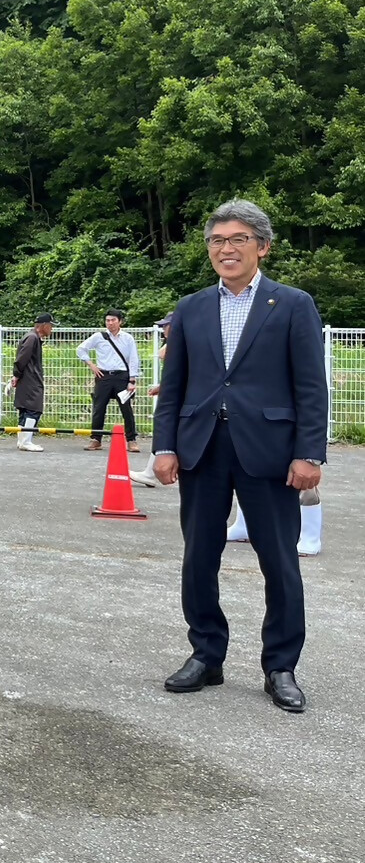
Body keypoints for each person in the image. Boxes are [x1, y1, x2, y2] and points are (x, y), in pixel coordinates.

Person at [152, 199, 327, 713]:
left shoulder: (292, 304)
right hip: (201, 448)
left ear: (262, 247)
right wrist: (165, 446)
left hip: (270, 451)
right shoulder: (191, 307)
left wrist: (309, 453)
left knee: (280, 561)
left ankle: (281, 667)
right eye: (217, 240)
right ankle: (206, 655)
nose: (226, 249)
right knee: (198, 558)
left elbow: (310, 386)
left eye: (238, 239)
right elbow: (175, 384)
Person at [77, 310, 141, 452]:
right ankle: (96, 439)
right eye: (108, 320)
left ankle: (131, 440)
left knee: (126, 408)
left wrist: (132, 379)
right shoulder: (99, 337)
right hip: (103, 375)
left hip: (122, 376)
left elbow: (133, 358)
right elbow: (81, 349)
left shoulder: (128, 338)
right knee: (99, 407)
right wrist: (91, 365)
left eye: (113, 320)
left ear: (120, 321)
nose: (110, 323)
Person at [131, 312, 174, 486]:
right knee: (166, 433)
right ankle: (149, 473)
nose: (163, 329)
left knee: (166, 431)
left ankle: (150, 473)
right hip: (178, 395)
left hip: (182, 399)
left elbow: (163, 354)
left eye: (166, 326)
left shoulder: (184, 342)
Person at [10, 313, 55, 452]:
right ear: (44, 326)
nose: (52, 329)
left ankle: (22, 441)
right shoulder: (32, 338)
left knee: (25, 409)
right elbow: (22, 358)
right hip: (30, 380)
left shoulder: (32, 337)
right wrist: (16, 375)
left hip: (27, 379)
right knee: (33, 409)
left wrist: (17, 375)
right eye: (51, 325)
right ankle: (26, 441)